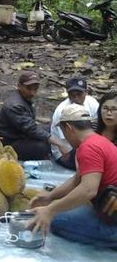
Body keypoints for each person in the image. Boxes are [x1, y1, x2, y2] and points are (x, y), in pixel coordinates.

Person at [28, 104, 117, 248]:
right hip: (107, 208)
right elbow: (77, 180)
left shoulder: (89, 148)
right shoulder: (99, 141)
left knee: (56, 222)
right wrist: (50, 197)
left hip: (112, 219)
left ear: (68, 128)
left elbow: (88, 190)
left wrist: (50, 210)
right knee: (61, 211)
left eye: (63, 131)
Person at [0, 70, 68, 160]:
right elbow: (31, 129)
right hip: (8, 140)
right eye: (28, 89)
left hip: (21, 134)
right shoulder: (15, 105)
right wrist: (58, 143)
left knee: (50, 128)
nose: (32, 93)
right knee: (42, 148)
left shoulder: (24, 98)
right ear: (19, 86)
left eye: (35, 89)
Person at [50, 77, 100, 170]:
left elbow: (97, 125)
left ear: (86, 92)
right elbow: (74, 141)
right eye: (72, 95)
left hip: (86, 144)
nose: (76, 98)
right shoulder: (62, 111)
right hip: (67, 151)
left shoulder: (92, 103)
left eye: (79, 94)